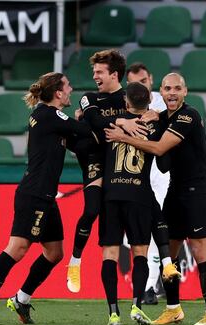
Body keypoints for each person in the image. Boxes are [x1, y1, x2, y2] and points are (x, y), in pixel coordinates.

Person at [0, 72, 92, 325]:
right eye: (68, 87)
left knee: (54, 252)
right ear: (58, 93)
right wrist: (89, 113)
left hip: (45, 196)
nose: (71, 90)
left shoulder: (48, 119)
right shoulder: (48, 114)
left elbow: (80, 142)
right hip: (34, 194)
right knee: (17, 248)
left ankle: (21, 299)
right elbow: (82, 130)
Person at [106, 73, 206, 325]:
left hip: (198, 190)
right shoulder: (164, 118)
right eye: (168, 88)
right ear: (161, 91)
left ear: (185, 91)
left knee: (201, 250)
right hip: (176, 189)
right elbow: (165, 164)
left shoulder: (187, 116)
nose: (172, 93)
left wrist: (123, 136)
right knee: (169, 250)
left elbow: (159, 149)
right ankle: (173, 309)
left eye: (177, 89)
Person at [66, 50, 156, 293]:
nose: (94, 76)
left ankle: (159, 270)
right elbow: (94, 122)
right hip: (96, 159)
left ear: (114, 74)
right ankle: (75, 260)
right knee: (92, 209)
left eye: (99, 72)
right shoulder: (88, 98)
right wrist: (122, 122)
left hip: (119, 163)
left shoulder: (129, 98)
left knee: (137, 222)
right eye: (94, 71)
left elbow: (148, 116)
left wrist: (149, 117)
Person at [98, 82, 163, 325]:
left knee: (110, 254)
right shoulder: (154, 125)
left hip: (112, 194)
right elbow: (160, 153)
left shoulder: (113, 123)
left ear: (126, 102)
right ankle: (136, 305)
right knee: (140, 253)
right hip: (140, 194)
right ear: (149, 103)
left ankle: (113, 312)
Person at [126, 62, 170, 305]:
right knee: (138, 234)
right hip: (135, 175)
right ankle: (155, 281)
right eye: (135, 83)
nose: (140, 86)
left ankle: (150, 286)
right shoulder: (126, 105)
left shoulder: (163, 103)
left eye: (143, 81)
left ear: (151, 79)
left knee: (155, 231)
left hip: (161, 176)